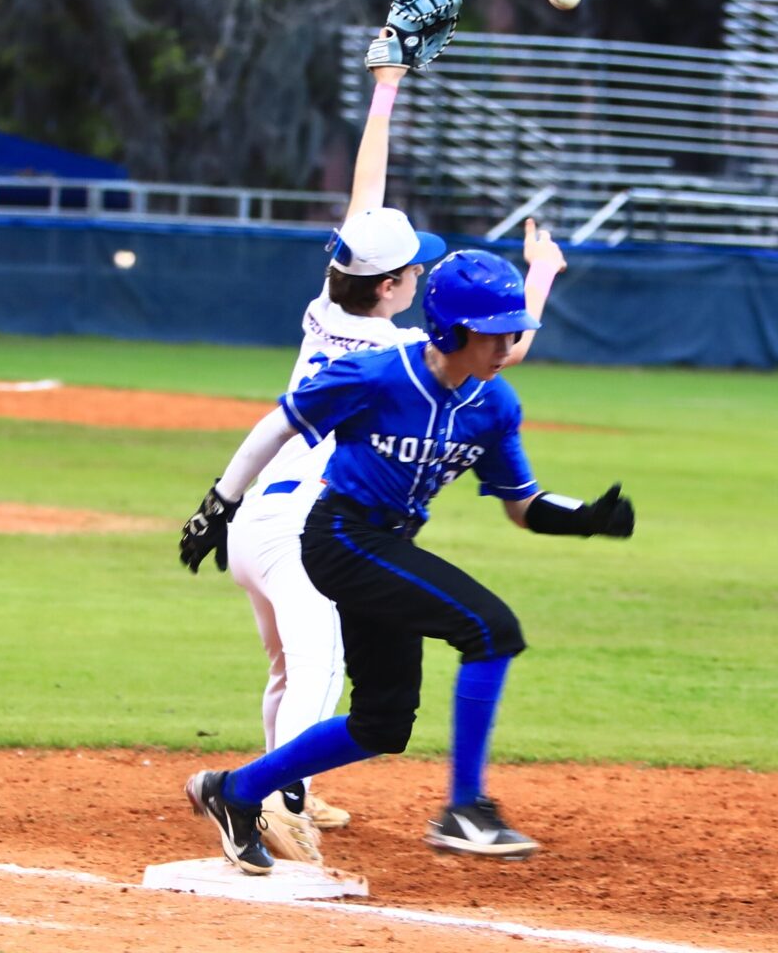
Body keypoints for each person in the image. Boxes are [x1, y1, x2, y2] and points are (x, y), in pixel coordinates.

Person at [196, 31, 567, 866]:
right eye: (411, 271)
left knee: (297, 667)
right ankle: (268, 804)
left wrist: (387, 85)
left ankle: (284, 787)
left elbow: (367, 204)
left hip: (258, 512)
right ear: (395, 288)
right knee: (320, 665)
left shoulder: (327, 312)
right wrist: (539, 278)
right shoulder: (390, 360)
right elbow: (494, 355)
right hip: (307, 527)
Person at [179, 247, 634, 876]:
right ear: (453, 329)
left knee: (382, 724)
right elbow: (279, 425)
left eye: (514, 332)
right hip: (340, 536)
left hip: (389, 545)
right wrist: (220, 505)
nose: (507, 346)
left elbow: (523, 505)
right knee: (491, 629)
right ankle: (466, 808)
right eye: (495, 333)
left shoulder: (493, 405)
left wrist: (585, 519)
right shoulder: (377, 374)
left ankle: (234, 792)